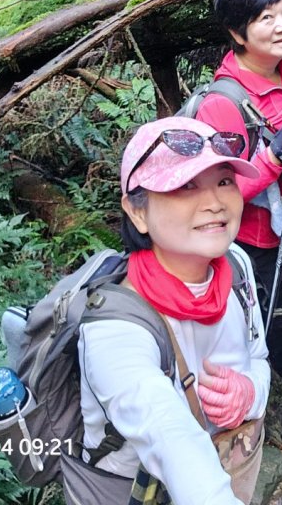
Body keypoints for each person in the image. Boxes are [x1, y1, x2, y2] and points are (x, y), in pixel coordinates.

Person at [76, 116, 270, 504]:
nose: (215, 203)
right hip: (136, 488)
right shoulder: (116, 329)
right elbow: (167, 433)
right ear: (137, 211)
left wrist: (249, 395)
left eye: (224, 181)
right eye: (184, 186)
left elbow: (259, 358)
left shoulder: (236, 266)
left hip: (234, 458)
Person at [194, 0, 282, 391]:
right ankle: (244, 382)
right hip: (250, 238)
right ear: (238, 33)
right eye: (265, 18)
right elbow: (220, 194)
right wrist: (276, 153)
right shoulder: (224, 102)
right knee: (250, 308)